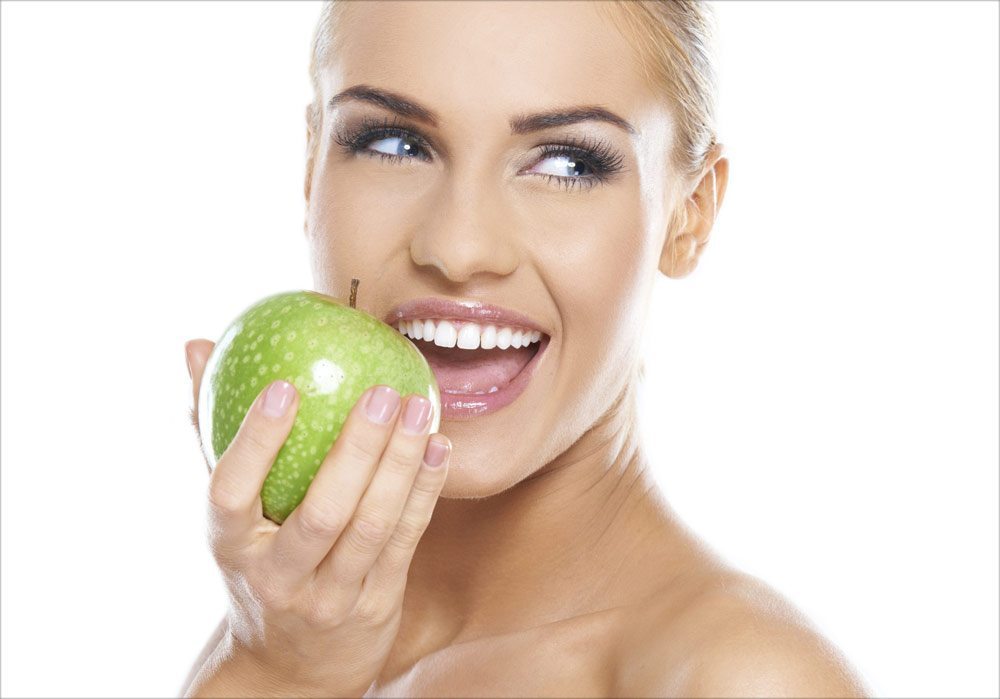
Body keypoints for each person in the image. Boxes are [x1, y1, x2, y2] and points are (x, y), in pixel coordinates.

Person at [181, 1, 870, 696]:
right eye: (394, 142)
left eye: (566, 162)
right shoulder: (290, 622)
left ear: (690, 215)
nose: (457, 248)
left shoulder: (732, 679)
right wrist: (273, 666)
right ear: (310, 167)